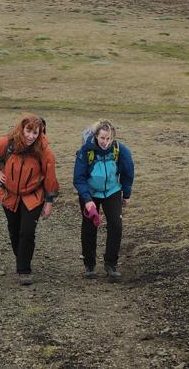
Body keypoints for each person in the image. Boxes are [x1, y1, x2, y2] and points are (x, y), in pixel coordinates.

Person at [0, 114, 60, 285]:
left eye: (35, 132)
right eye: (28, 131)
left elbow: (50, 177)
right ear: (22, 129)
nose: (31, 136)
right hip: (9, 195)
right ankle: (22, 258)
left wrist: (49, 202)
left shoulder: (44, 151)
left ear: (40, 133)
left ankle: (24, 270)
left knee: (27, 231)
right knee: (14, 230)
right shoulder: (8, 143)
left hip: (34, 197)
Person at [73, 120, 134, 280]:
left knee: (116, 225)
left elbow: (128, 173)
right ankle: (89, 265)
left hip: (112, 191)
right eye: (102, 138)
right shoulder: (86, 151)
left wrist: (126, 194)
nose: (105, 142)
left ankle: (111, 264)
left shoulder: (121, 151)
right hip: (90, 193)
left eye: (108, 138)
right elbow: (78, 178)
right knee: (89, 227)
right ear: (96, 136)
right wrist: (86, 199)